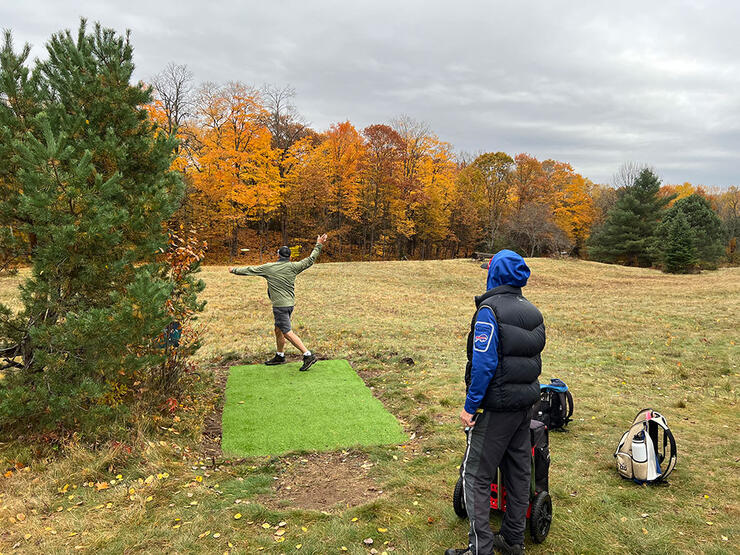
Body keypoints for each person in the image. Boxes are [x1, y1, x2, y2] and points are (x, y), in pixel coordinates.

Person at [446, 250, 546, 555]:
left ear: (495, 274)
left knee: (475, 476)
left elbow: (484, 365)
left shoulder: (489, 310)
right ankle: (513, 539)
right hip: (523, 408)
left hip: (495, 409)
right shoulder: (532, 311)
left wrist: (470, 406)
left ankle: (480, 549)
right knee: (519, 474)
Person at [229, 234, 328, 371]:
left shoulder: (269, 267)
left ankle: (307, 354)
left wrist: (234, 270)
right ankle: (280, 356)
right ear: (289, 257)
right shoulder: (294, 266)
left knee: (287, 332)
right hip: (289, 305)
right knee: (278, 329)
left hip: (280, 306)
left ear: (278, 255)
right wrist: (319, 244)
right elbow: (311, 259)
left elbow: (250, 270)